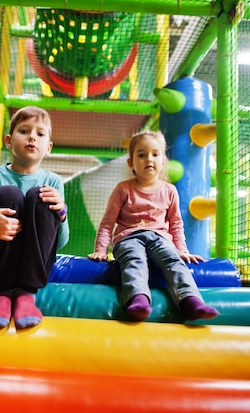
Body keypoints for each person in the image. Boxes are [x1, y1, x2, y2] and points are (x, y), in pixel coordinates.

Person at [88, 130, 219, 322]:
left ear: (163, 161)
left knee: (174, 261)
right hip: (128, 238)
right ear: (131, 162)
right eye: (141, 155)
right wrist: (100, 250)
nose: (149, 159)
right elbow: (108, 223)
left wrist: (182, 249)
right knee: (134, 260)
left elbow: (175, 225)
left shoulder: (169, 191)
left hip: (160, 238)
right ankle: (138, 299)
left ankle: (190, 300)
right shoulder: (124, 189)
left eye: (155, 154)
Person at [0, 106, 69, 329]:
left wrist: (62, 213)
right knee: (9, 193)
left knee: (41, 196)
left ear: (48, 148)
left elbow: (61, 242)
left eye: (40, 134)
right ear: (9, 141)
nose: (32, 137)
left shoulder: (54, 182)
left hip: (35, 265)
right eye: (24, 131)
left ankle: (26, 295)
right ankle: (1, 294)